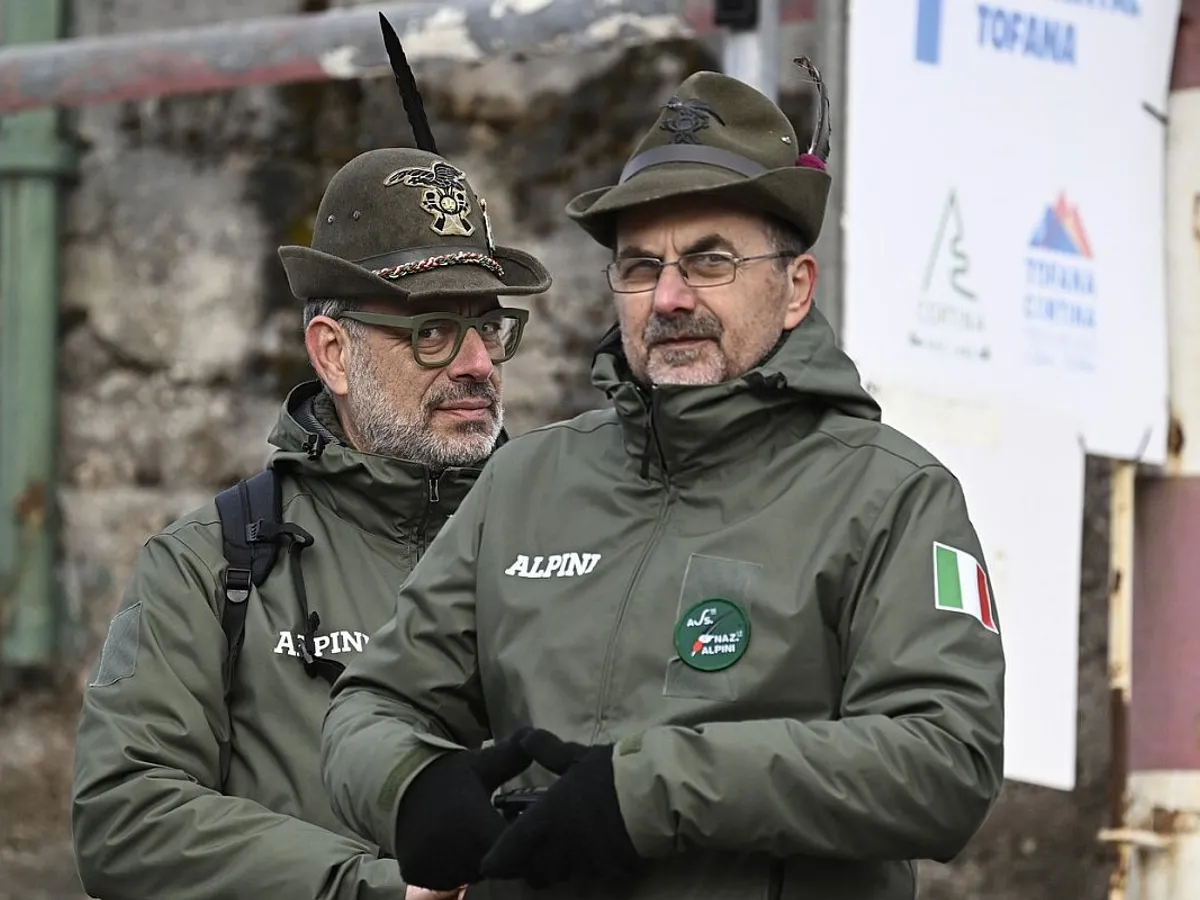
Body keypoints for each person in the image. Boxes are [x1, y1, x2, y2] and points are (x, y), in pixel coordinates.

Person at [318, 63, 1005, 900]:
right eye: (640, 267)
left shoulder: (892, 495)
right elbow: (370, 704)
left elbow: (943, 763)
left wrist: (645, 793)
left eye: (709, 261)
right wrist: (410, 786)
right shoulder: (526, 481)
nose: (669, 298)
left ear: (795, 288)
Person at [68, 30, 554, 896]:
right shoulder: (212, 565)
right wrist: (369, 889)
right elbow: (124, 812)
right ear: (332, 351)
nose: (478, 362)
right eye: (433, 330)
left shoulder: (574, 539)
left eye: (488, 324)